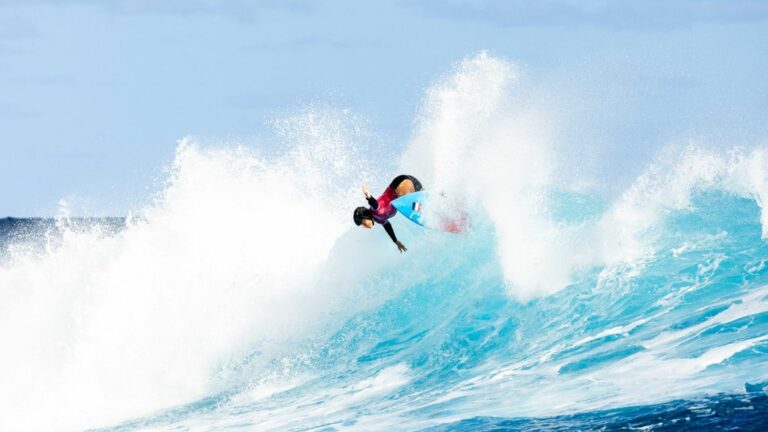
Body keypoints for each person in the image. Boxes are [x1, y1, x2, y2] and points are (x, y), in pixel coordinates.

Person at [353, 174, 423, 253]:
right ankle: (437, 199)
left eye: (363, 223)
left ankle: (424, 207)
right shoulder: (379, 219)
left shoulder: (375, 211)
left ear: (365, 216)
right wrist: (396, 241)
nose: (364, 226)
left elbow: (374, 204)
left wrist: (368, 197)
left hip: (400, 184)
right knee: (425, 201)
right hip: (409, 184)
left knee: (409, 204)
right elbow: (387, 226)